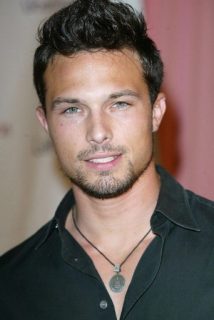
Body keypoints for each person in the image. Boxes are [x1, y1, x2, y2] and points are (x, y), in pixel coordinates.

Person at [1, 0, 214, 319]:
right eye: (72, 109)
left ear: (156, 112)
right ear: (45, 123)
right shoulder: (10, 284)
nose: (98, 133)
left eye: (119, 104)